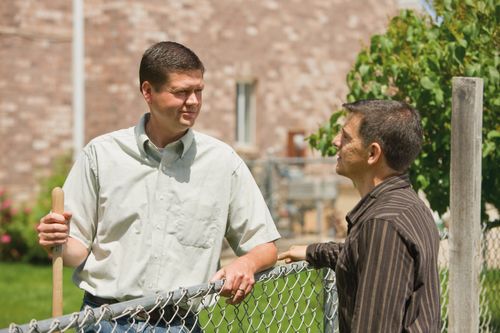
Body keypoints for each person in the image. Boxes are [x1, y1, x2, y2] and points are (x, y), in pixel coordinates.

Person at [37, 41, 280, 332]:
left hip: (179, 324)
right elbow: (76, 251)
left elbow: (264, 246)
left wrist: (247, 264)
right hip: (104, 322)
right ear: (148, 91)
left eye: (198, 91)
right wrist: (58, 240)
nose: (193, 101)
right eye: (181, 92)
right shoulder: (101, 155)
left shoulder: (223, 162)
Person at [278, 100, 441, 332]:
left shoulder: (383, 225)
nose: (335, 141)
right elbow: (363, 256)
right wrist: (312, 251)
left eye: (346, 137)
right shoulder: (407, 205)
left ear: (373, 153)